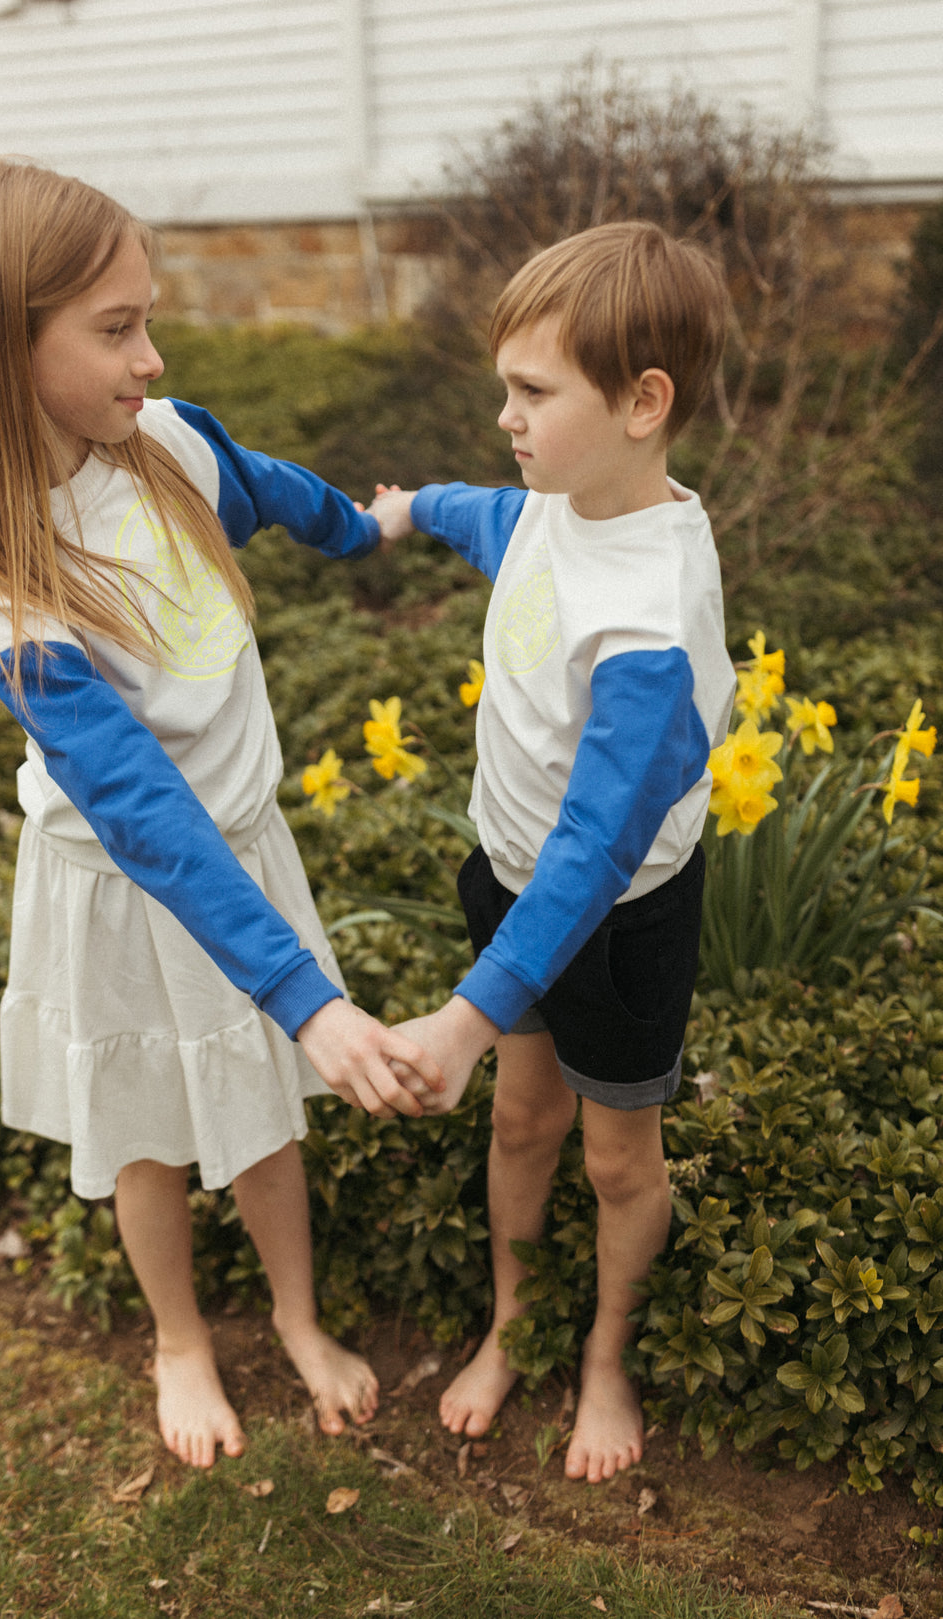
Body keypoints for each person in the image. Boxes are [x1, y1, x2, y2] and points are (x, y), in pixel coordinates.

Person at [0, 156, 442, 1470]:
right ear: (0, 346)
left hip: (243, 848)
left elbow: (267, 486)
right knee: (150, 1128)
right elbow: (141, 807)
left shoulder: (168, 445)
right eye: (114, 328)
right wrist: (306, 992)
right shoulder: (12, 594)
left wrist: (358, 531)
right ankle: (179, 1337)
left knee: (261, 1108)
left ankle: (299, 1316)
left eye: (146, 317)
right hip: (124, 885)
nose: (150, 358)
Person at [368, 221, 736, 1483]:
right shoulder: (561, 498)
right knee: (523, 1122)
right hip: (507, 873)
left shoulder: (652, 626)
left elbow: (594, 851)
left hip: (616, 917)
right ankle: (512, 1326)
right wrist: (409, 511)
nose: (506, 417)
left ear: (643, 403)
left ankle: (606, 1355)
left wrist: (469, 1015)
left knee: (613, 1151)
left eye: (533, 393)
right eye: (505, 387)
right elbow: (499, 522)